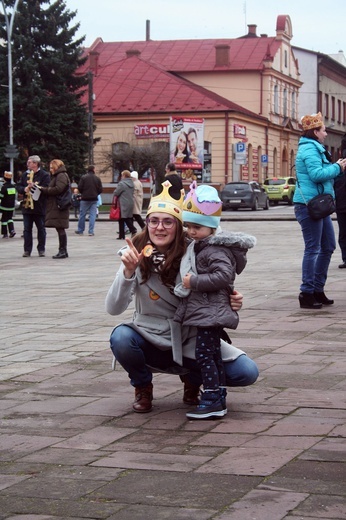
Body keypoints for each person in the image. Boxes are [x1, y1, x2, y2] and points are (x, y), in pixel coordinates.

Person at [105, 180, 259, 414]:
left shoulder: (196, 252)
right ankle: (143, 386)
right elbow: (114, 308)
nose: (160, 227)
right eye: (154, 221)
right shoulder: (136, 254)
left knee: (246, 372)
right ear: (146, 224)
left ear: (180, 226)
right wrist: (127, 272)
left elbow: (218, 281)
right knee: (122, 338)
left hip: (190, 338)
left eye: (168, 222)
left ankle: (194, 378)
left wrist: (232, 299)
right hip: (151, 335)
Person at [173, 182, 256, 419]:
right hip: (207, 310)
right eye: (188, 226)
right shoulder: (201, 246)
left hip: (211, 311)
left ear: (211, 227)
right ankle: (218, 395)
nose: (191, 231)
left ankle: (211, 398)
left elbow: (224, 276)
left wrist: (194, 282)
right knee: (212, 354)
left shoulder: (214, 250)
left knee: (204, 355)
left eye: (197, 227)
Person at [293, 112, 346, 309]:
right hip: (309, 206)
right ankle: (306, 293)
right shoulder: (309, 150)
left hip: (319, 205)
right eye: (323, 130)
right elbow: (316, 175)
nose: (325, 133)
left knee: (328, 246)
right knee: (313, 248)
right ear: (315, 131)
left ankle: (317, 289)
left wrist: (337, 170)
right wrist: (337, 168)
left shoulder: (317, 148)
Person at [15, 155, 50, 257]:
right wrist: (24, 189)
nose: (27, 164)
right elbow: (18, 186)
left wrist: (35, 186)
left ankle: (41, 249)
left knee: (41, 229)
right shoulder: (25, 174)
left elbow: (47, 188)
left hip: (39, 206)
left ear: (35, 163)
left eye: (29, 162)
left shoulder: (44, 175)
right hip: (27, 207)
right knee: (26, 229)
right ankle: (27, 250)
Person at [37, 159, 70, 259]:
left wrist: (43, 189)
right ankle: (63, 250)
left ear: (56, 167)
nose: (50, 170)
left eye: (52, 168)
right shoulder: (59, 175)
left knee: (60, 228)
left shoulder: (61, 176)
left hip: (59, 206)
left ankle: (62, 250)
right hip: (57, 205)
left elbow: (58, 189)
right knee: (59, 228)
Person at [75, 165, 103, 236]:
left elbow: (80, 187)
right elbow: (100, 189)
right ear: (93, 169)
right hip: (94, 199)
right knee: (92, 215)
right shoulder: (97, 178)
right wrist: (96, 193)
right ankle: (91, 231)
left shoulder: (83, 177)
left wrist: (83, 193)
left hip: (84, 198)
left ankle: (80, 230)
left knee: (82, 215)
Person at [113, 170, 137, 240]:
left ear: (124, 175)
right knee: (126, 218)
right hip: (130, 202)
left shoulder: (122, 184)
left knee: (123, 218)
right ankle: (122, 235)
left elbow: (116, 192)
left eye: (122, 175)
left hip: (123, 203)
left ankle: (132, 229)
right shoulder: (132, 183)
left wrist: (115, 191)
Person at [0, 171, 17, 238]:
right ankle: (12, 230)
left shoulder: (4, 187)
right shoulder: (13, 186)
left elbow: (1, 196)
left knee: (4, 219)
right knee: (10, 218)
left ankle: (5, 234)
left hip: (4, 206)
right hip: (11, 206)